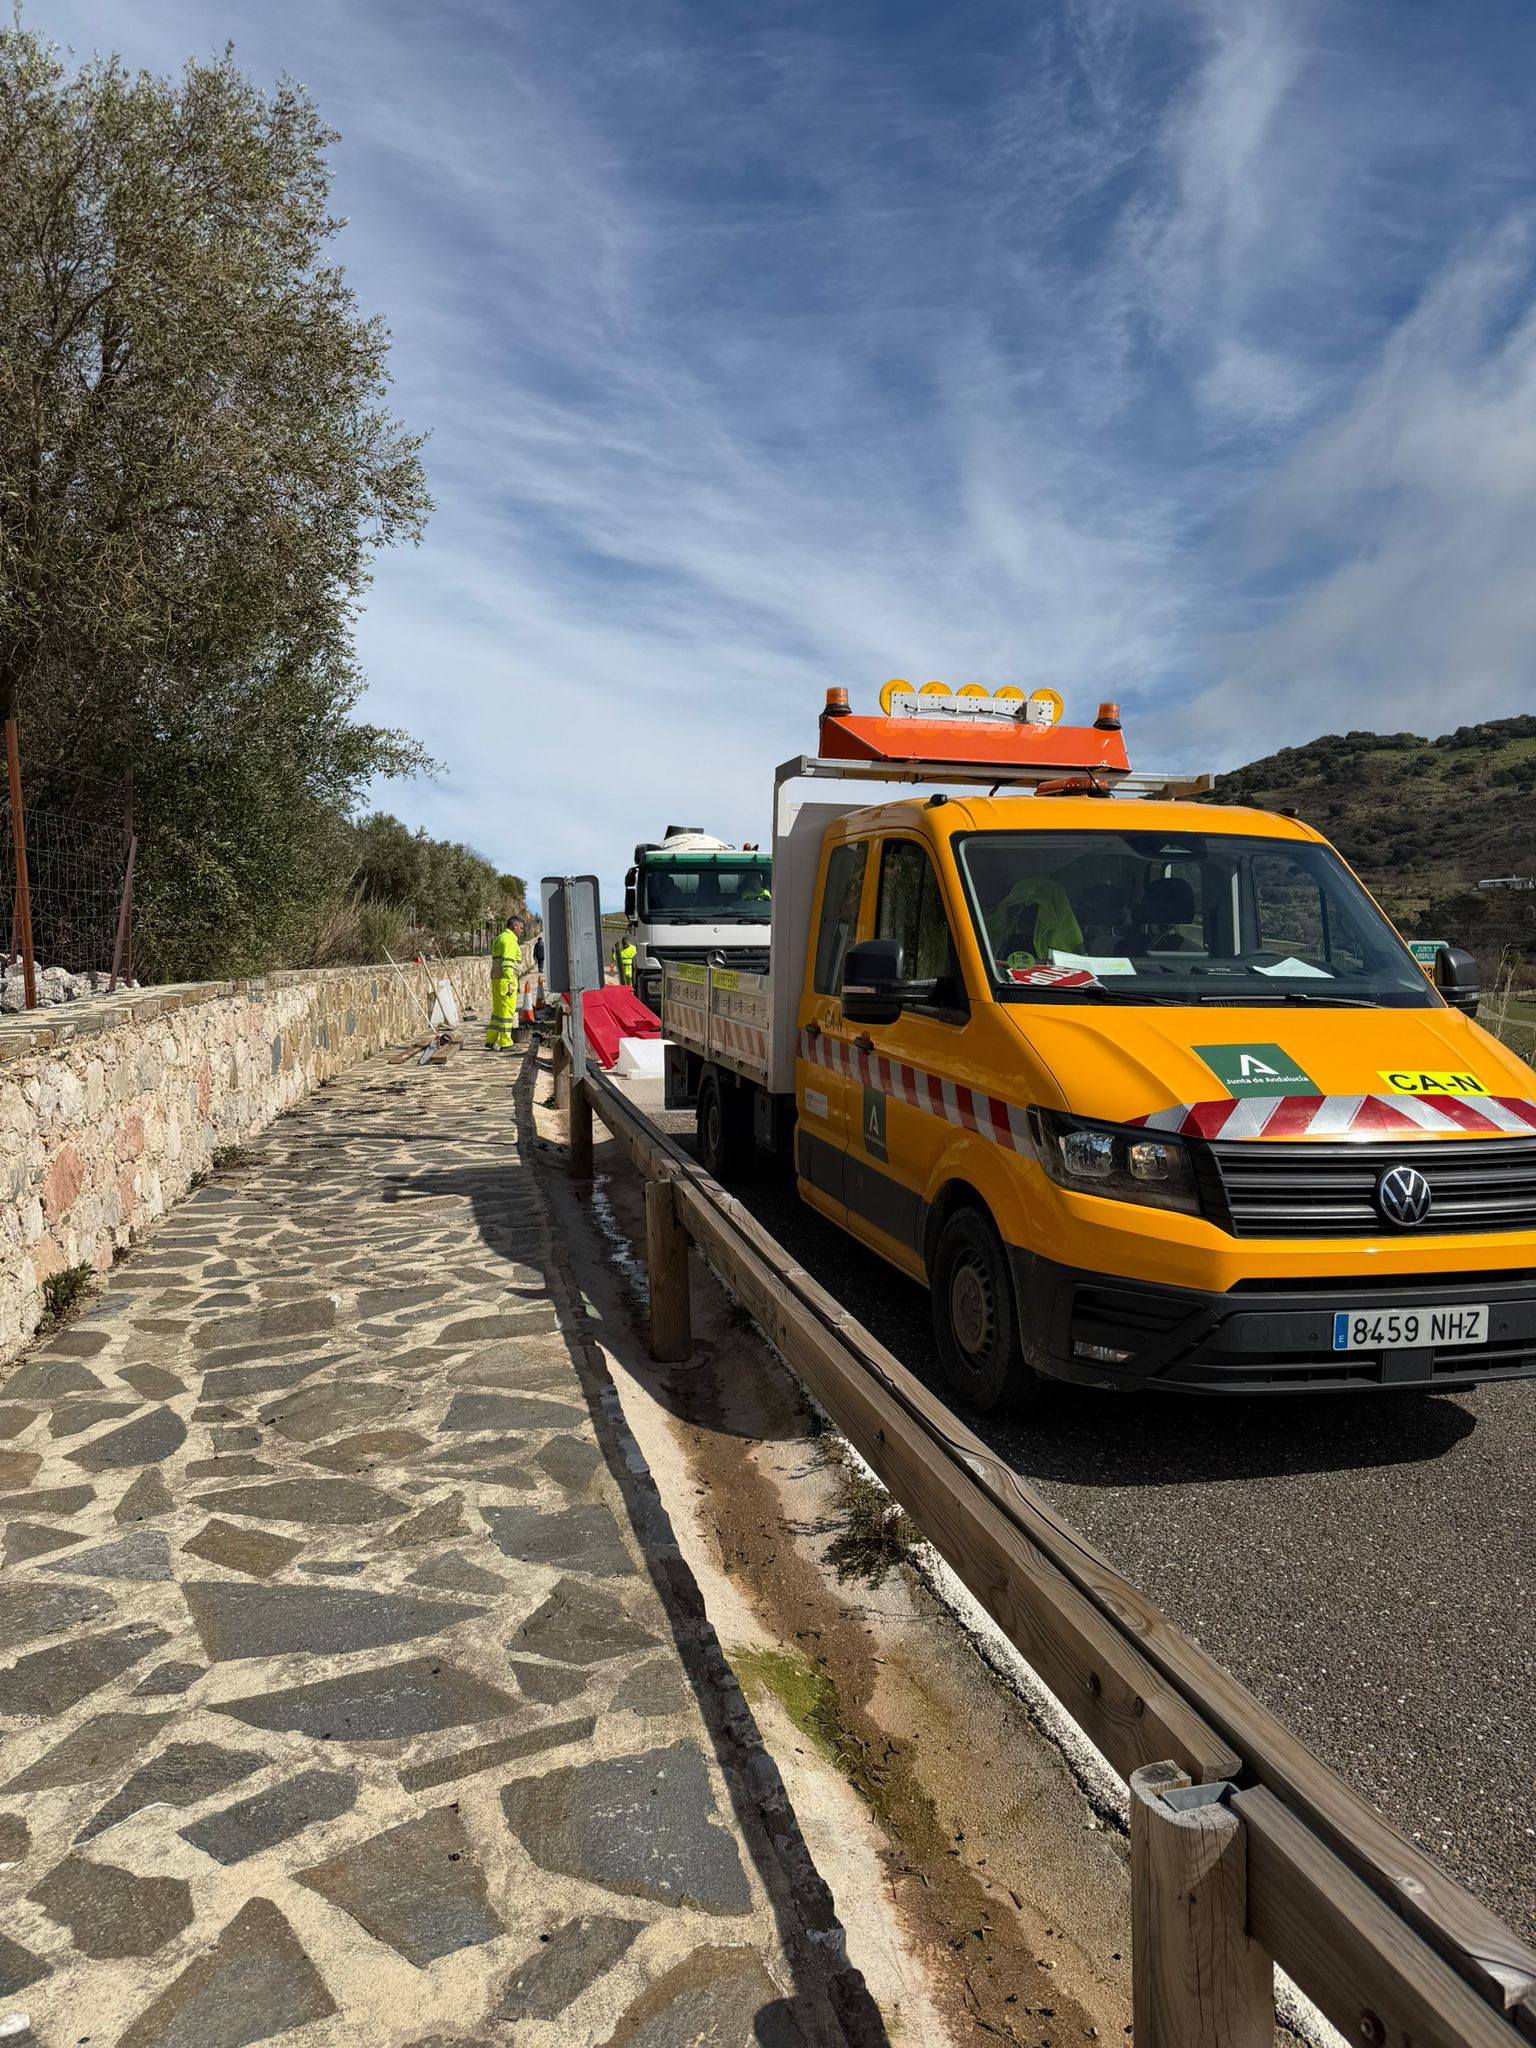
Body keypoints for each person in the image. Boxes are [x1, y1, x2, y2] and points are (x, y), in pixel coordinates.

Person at [484, 915, 522, 1050]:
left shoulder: (499, 938)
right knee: (507, 1011)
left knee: (497, 1012)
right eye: (521, 928)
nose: (521, 931)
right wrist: (511, 981)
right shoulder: (510, 939)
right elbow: (507, 963)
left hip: (496, 979)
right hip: (506, 980)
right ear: (515, 926)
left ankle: (491, 1038)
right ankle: (505, 1042)